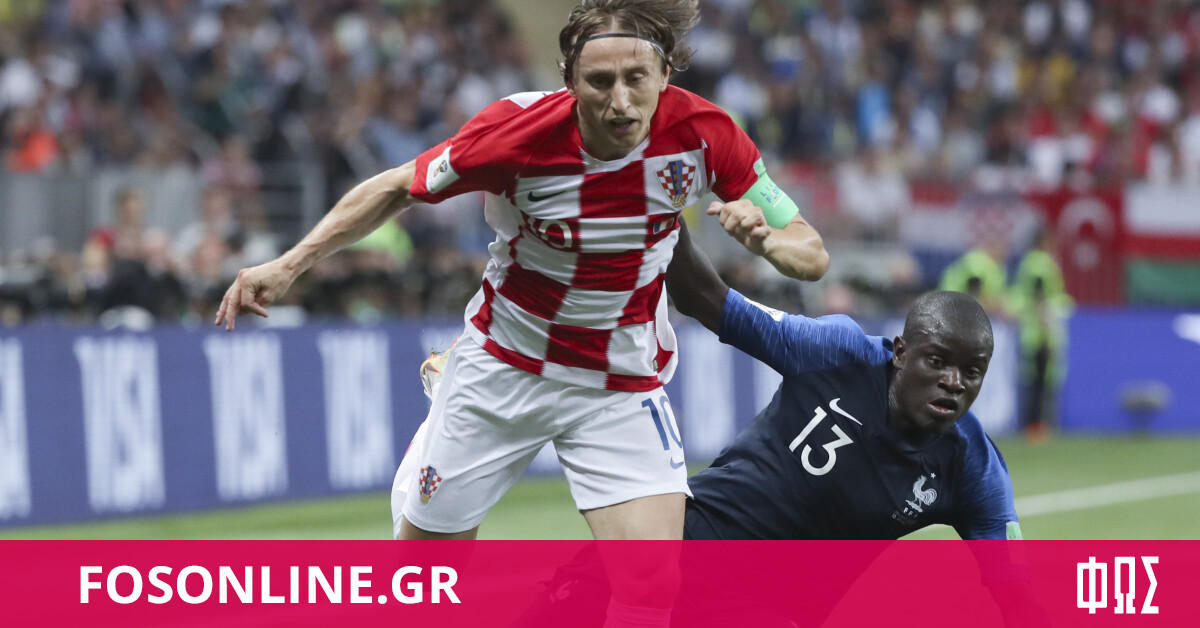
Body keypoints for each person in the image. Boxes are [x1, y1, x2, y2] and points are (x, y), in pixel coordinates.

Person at [216, 1, 827, 626]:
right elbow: (397, 187)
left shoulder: (706, 134)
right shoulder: (515, 132)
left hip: (618, 382)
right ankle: (442, 416)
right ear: (570, 80)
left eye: (636, 79)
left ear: (665, 74)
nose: (620, 101)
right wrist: (289, 264)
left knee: (652, 582)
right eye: (600, 81)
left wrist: (771, 245)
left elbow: (811, 251)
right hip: (506, 367)